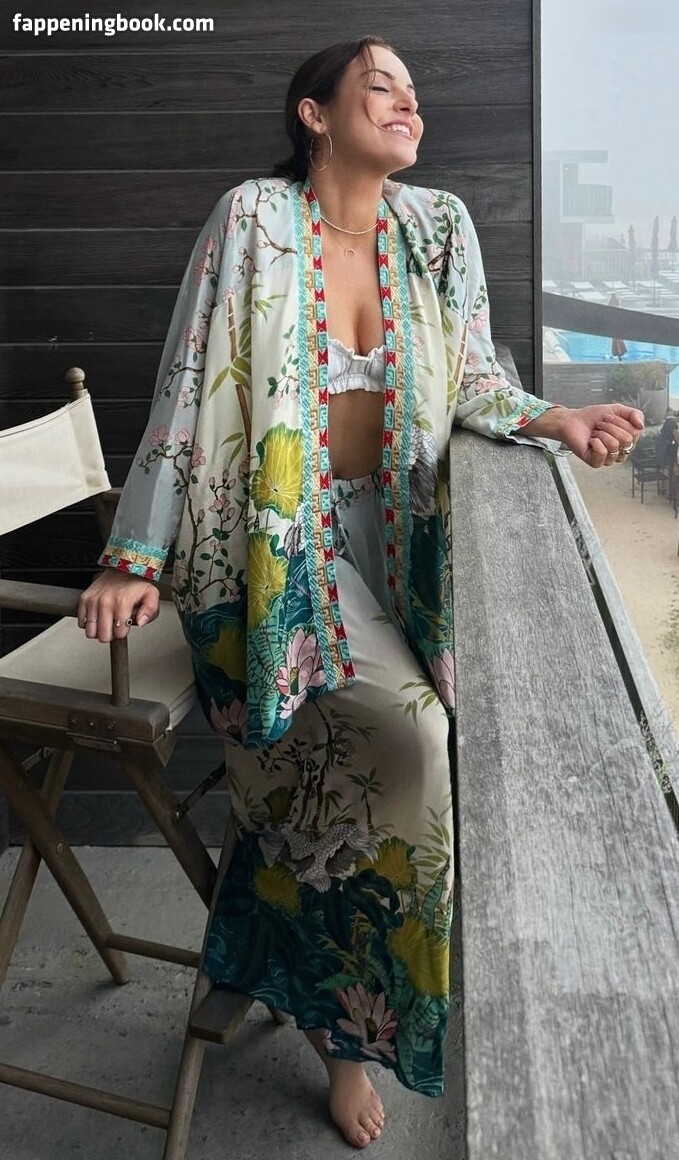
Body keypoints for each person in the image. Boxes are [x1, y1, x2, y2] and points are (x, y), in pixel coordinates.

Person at [78, 38, 645, 1149]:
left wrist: (555, 419)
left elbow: (472, 371)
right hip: (267, 559)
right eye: (380, 87)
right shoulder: (252, 219)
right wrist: (132, 556)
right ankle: (350, 1039)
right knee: (414, 745)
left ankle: (277, 971)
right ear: (314, 114)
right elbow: (186, 383)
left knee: (334, 785)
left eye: (414, 94)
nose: (407, 105)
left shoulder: (438, 230)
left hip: (400, 550)